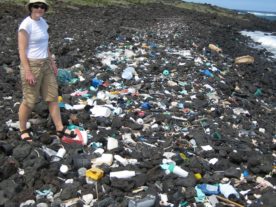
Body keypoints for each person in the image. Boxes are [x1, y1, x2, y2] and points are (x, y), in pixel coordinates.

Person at [18, 0, 76, 141]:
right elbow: (21, 50)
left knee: (52, 97)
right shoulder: (26, 25)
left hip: (46, 64)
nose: (39, 9)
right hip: (32, 65)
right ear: (31, 8)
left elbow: (45, 45)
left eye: (42, 7)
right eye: (36, 6)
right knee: (29, 100)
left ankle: (60, 128)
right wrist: (28, 71)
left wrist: (52, 63)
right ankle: (23, 128)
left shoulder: (43, 22)